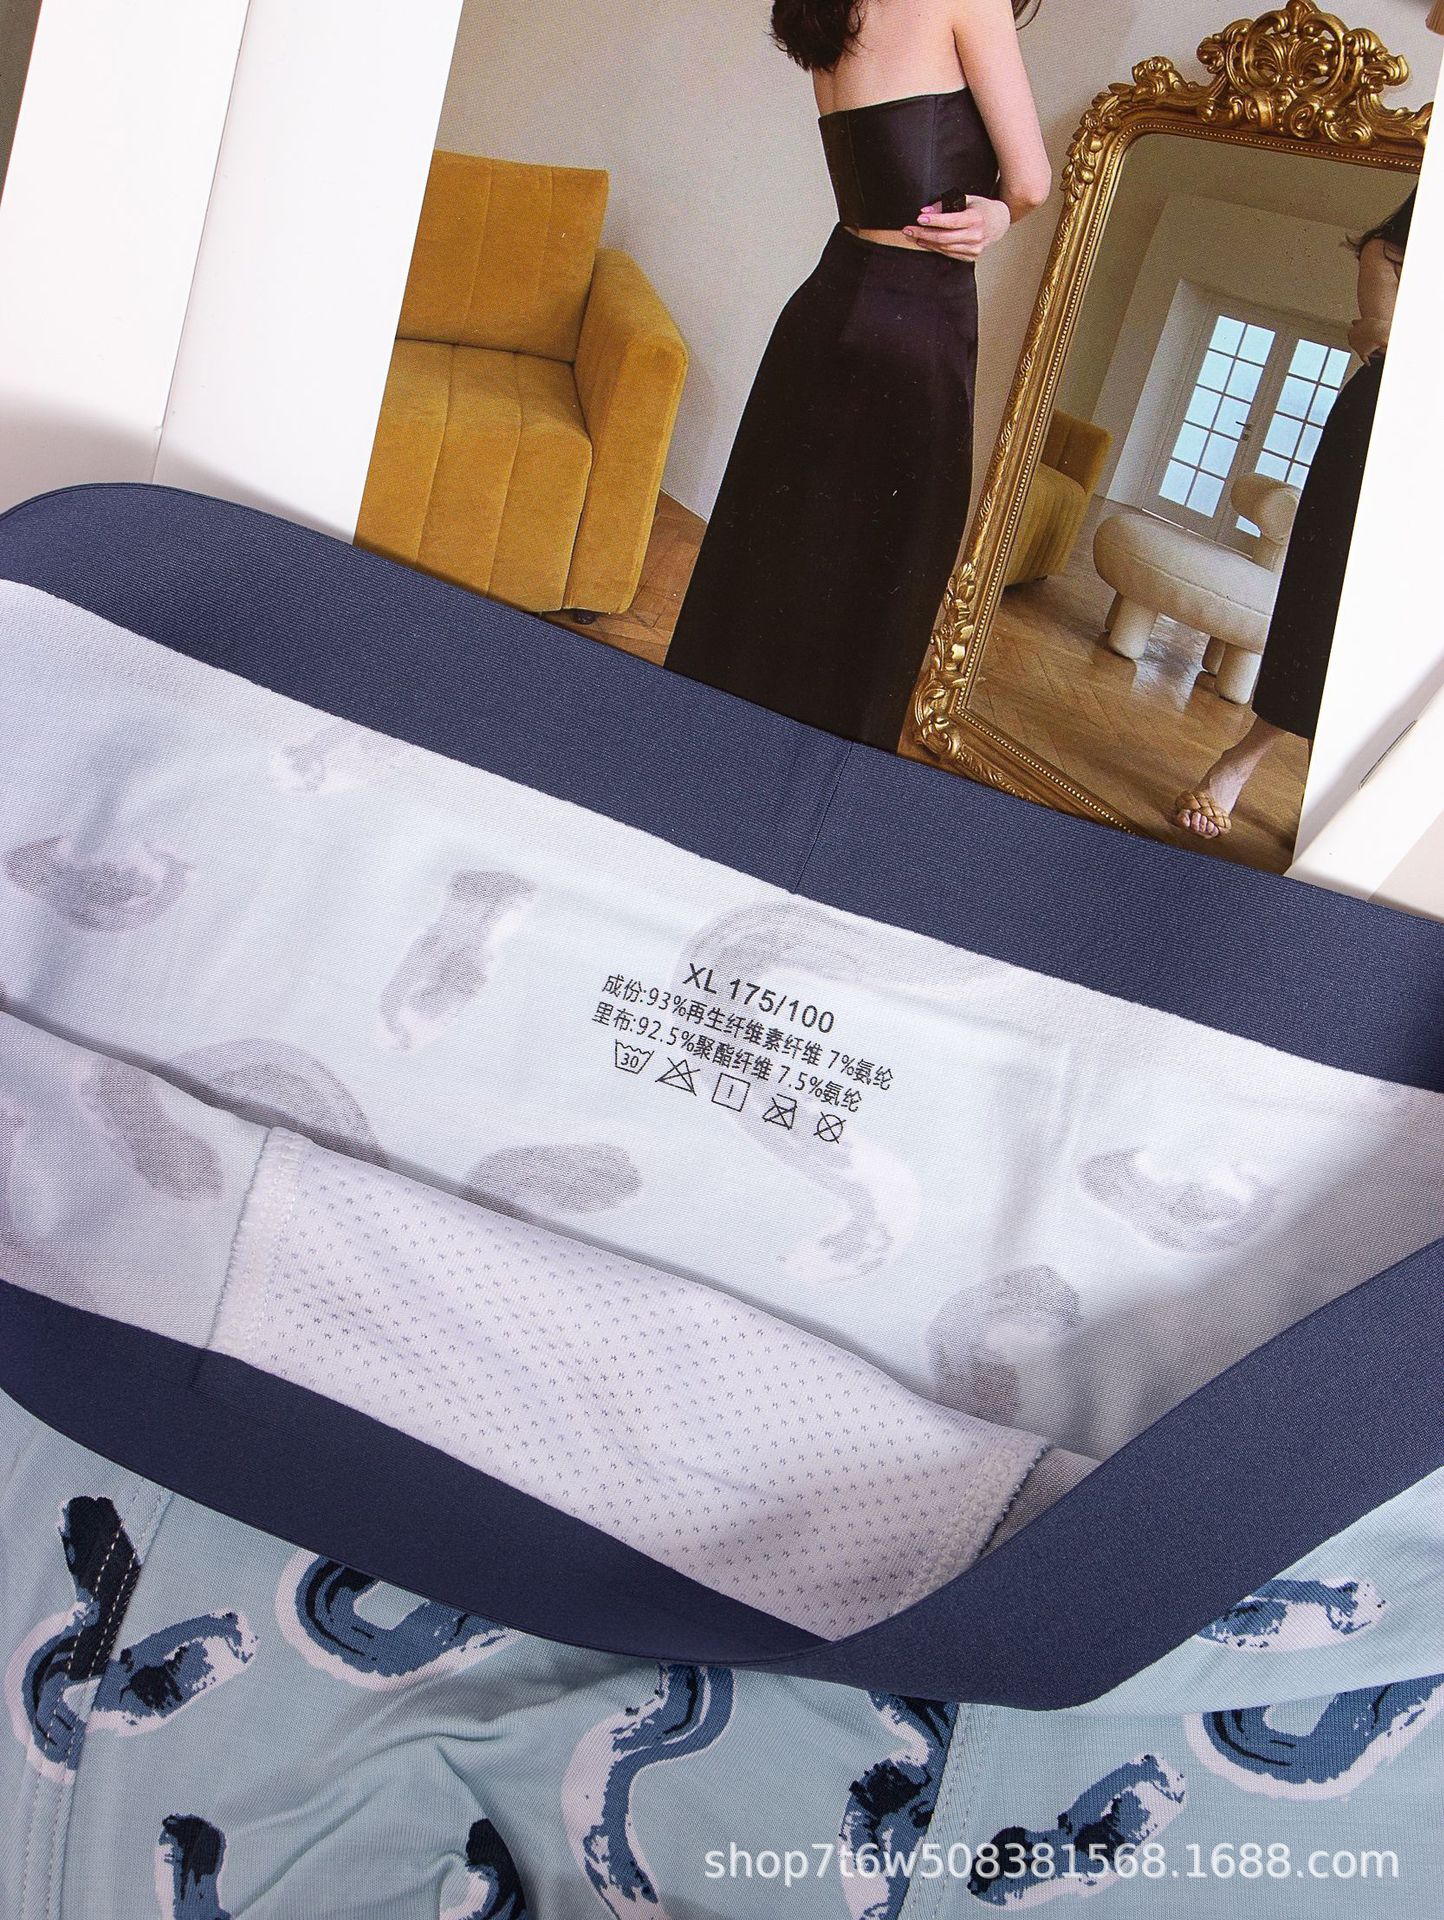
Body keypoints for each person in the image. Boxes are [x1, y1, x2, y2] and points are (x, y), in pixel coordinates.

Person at [663, 0, 1050, 750]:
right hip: (918, 318)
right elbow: (1030, 182)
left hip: (828, 301)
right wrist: (1002, 215)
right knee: (881, 582)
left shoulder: (827, 6)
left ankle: (698, 752)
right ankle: (801, 789)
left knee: (771, 557)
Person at [1174, 190, 1415, 841]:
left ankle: (1338, 795)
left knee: (1401, 630)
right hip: (1373, 433)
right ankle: (1239, 761)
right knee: (1322, 602)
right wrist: (1386, 344)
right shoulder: (1389, 251)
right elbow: (1388, 347)